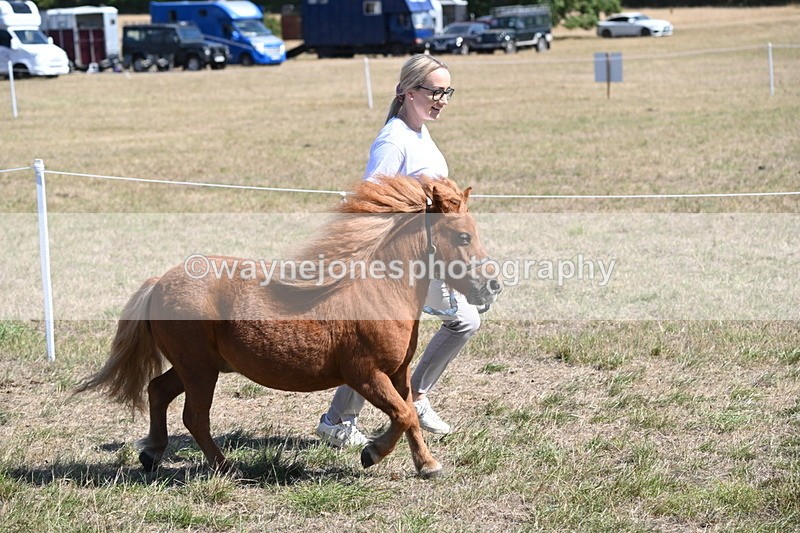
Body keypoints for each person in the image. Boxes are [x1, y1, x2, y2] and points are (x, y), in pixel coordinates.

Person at [316, 54, 482, 447]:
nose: (441, 99)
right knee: (458, 322)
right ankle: (403, 401)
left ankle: (344, 417)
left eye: (447, 92)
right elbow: (371, 196)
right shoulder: (394, 139)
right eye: (434, 91)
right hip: (401, 263)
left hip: (429, 257)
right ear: (407, 92)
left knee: (390, 343)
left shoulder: (420, 131)